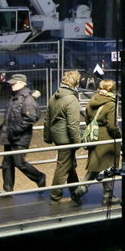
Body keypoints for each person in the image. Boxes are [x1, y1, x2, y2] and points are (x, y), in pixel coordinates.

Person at [0, 73, 47, 196]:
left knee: (19, 162)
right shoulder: (17, 97)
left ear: (22, 83)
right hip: (12, 136)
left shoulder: (26, 99)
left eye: (15, 83)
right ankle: (7, 189)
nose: (12, 85)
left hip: (20, 137)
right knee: (7, 163)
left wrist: (13, 130)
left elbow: (31, 118)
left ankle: (39, 177)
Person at [44, 70, 85, 204]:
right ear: (76, 82)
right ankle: (55, 196)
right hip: (67, 139)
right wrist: (77, 142)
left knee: (70, 165)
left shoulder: (54, 96)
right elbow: (73, 125)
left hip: (57, 136)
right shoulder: (71, 100)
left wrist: (47, 136)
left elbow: (47, 119)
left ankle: (75, 192)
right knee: (63, 167)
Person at [84, 79, 121, 207]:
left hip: (95, 136)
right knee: (108, 167)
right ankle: (107, 197)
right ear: (112, 89)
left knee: (95, 166)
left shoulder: (94, 99)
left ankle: (81, 190)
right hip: (108, 139)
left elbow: (87, 117)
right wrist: (119, 135)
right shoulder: (111, 104)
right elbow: (112, 125)